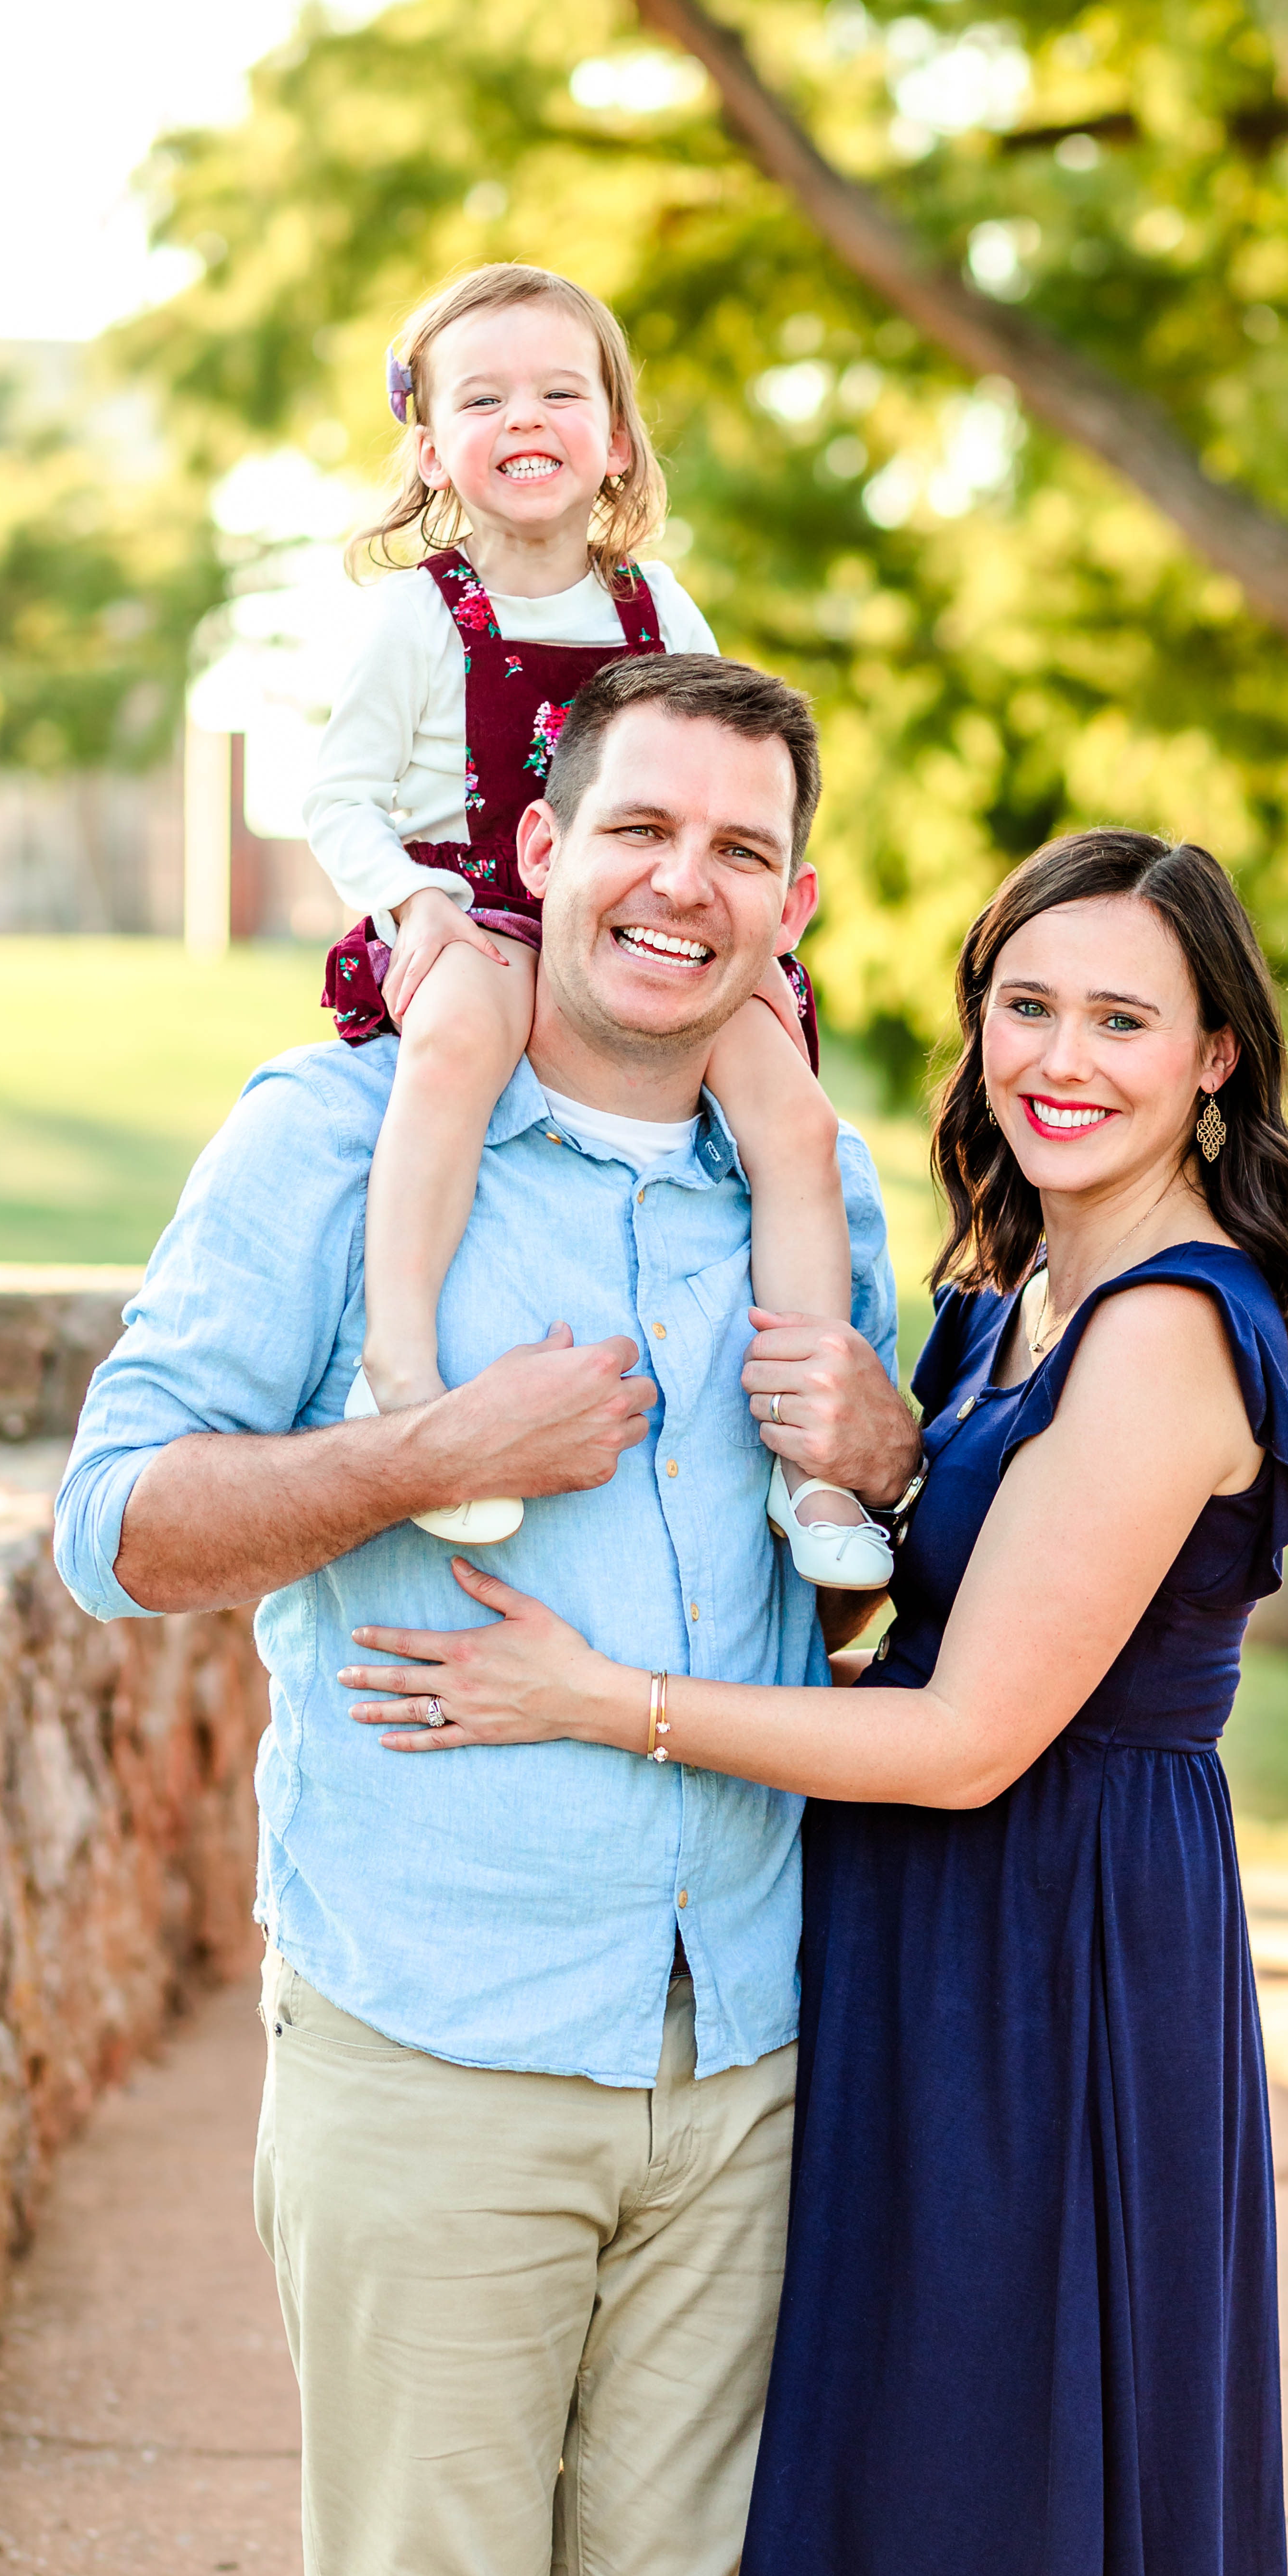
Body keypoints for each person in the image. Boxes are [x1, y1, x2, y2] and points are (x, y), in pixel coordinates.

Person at [337, 827, 1288, 2576]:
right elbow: (937, 1599)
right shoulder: (1012, 1301)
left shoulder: (1161, 1328)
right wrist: (890, 1471)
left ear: (1214, 1055)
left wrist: (597, 1702)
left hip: (1049, 1990)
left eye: (1122, 1020)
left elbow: (965, 1736)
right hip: (956, 1967)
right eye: (1025, 1007)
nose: (1059, 1058)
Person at [54, 650, 929, 2576]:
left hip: (740, 2059)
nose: (684, 886)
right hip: (434, 2042)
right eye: (638, 829)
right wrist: (424, 1450)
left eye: (740, 851)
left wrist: (892, 1459)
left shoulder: (809, 1189)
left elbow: (868, 1608)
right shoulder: (333, 1137)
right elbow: (118, 1529)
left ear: (794, 908)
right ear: (538, 846)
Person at [304, 258, 887, 1584]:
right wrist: (415, 904)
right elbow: (335, 797)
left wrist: (746, 936)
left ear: (616, 441)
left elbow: (724, 769)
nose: (525, 418)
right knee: (458, 1043)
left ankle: (809, 1459)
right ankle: (400, 1365)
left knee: (794, 1117)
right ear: (432, 449)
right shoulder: (417, 614)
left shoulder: (655, 606)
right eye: (484, 398)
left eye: (560, 393)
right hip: (475, 907)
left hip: (640, 913)